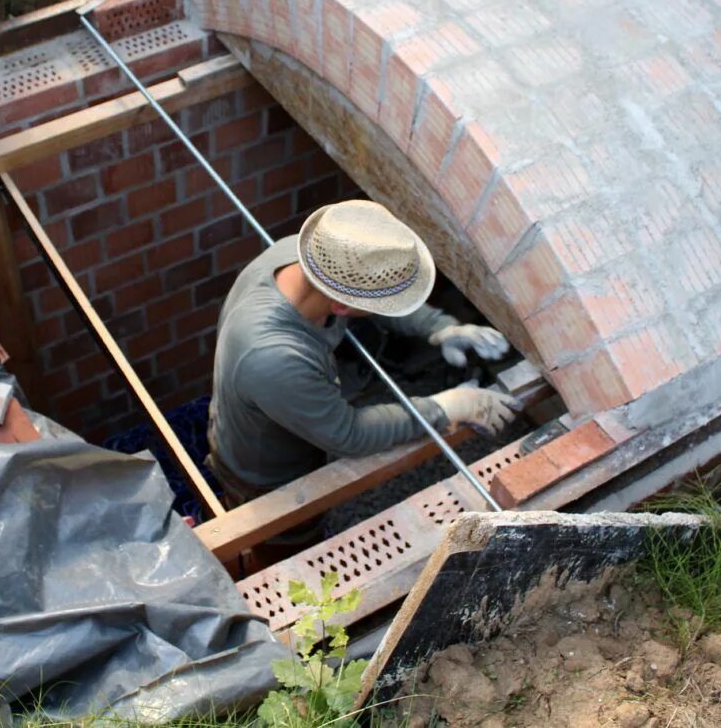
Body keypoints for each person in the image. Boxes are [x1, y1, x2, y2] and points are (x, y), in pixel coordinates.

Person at [206, 199, 521, 518]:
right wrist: (447, 407)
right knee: (289, 541)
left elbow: (375, 299)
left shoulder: (304, 260)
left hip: (281, 419)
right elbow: (349, 434)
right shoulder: (273, 359)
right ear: (341, 307)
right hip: (265, 476)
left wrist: (438, 328)